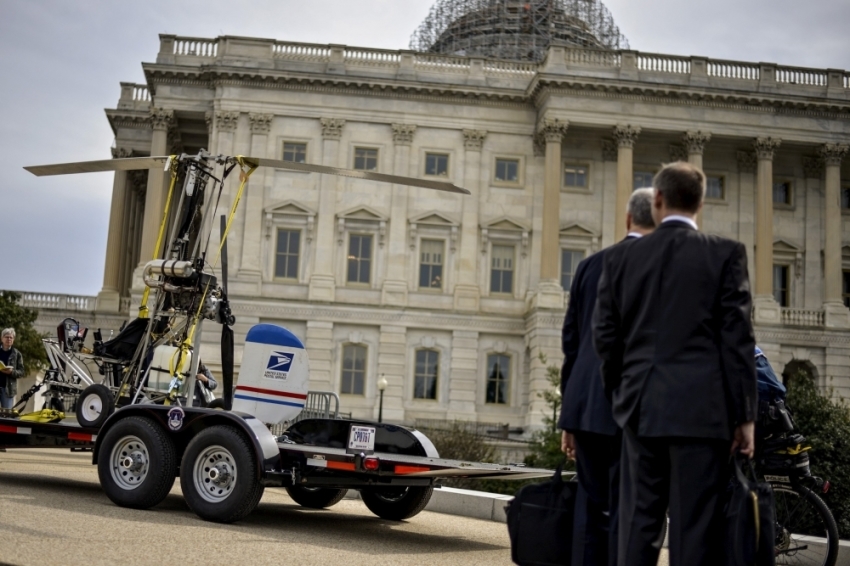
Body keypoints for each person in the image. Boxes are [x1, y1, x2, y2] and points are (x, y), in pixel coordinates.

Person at [593, 161, 757, 566]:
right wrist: (744, 415)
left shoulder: (619, 258)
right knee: (695, 532)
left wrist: (621, 394)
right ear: (700, 204)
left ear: (659, 199)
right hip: (703, 414)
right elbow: (737, 342)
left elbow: (605, 338)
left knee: (638, 527)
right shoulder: (725, 254)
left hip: (641, 408)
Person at [559, 188, 656, 566]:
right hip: (638, 410)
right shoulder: (664, 265)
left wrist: (569, 417)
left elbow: (572, 345)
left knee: (592, 509)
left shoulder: (590, 265)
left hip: (587, 408)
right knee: (634, 515)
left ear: (628, 219)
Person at [0, 328, 25, 410]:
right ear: (2, 338)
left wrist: (11, 372)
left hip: (8, 390)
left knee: (6, 414)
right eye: (7, 337)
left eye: (11, 337)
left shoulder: (17, 354)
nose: (9, 339)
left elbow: (22, 372)